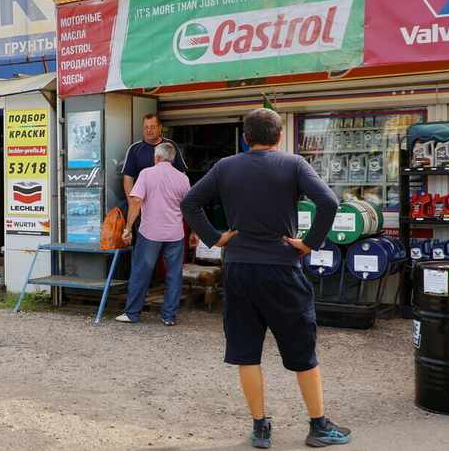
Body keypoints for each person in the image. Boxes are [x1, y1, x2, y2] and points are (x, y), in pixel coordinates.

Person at [180, 108, 349, 449]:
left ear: (246, 138)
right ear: (279, 136)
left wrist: (215, 237)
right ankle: (318, 426)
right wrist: (308, 244)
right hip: (283, 268)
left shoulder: (226, 166)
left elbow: (189, 202)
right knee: (303, 349)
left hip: (240, 268)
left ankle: (260, 428)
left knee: (246, 352)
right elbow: (329, 202)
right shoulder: (294, 165)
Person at [116, 142, 191, 326]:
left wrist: (128, 228)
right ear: (172, 159)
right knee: (174, 274)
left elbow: (135, 202)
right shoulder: (183, 178)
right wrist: (194, 231)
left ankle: (132, 313)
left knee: (141, 272)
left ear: (156, 157)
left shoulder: (146, 174)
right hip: (175, 234)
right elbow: (189, 207)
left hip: (150, 233)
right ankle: (169, 316)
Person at [122, 113, 187, 196]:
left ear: (160, 128)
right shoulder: (134, 149)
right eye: (146, 127)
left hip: (168, 200)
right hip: (143, 202)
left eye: (152, 127)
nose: (149, 130)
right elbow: (128, 179)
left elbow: (181, 174)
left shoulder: (171, 146)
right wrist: (132, 203)